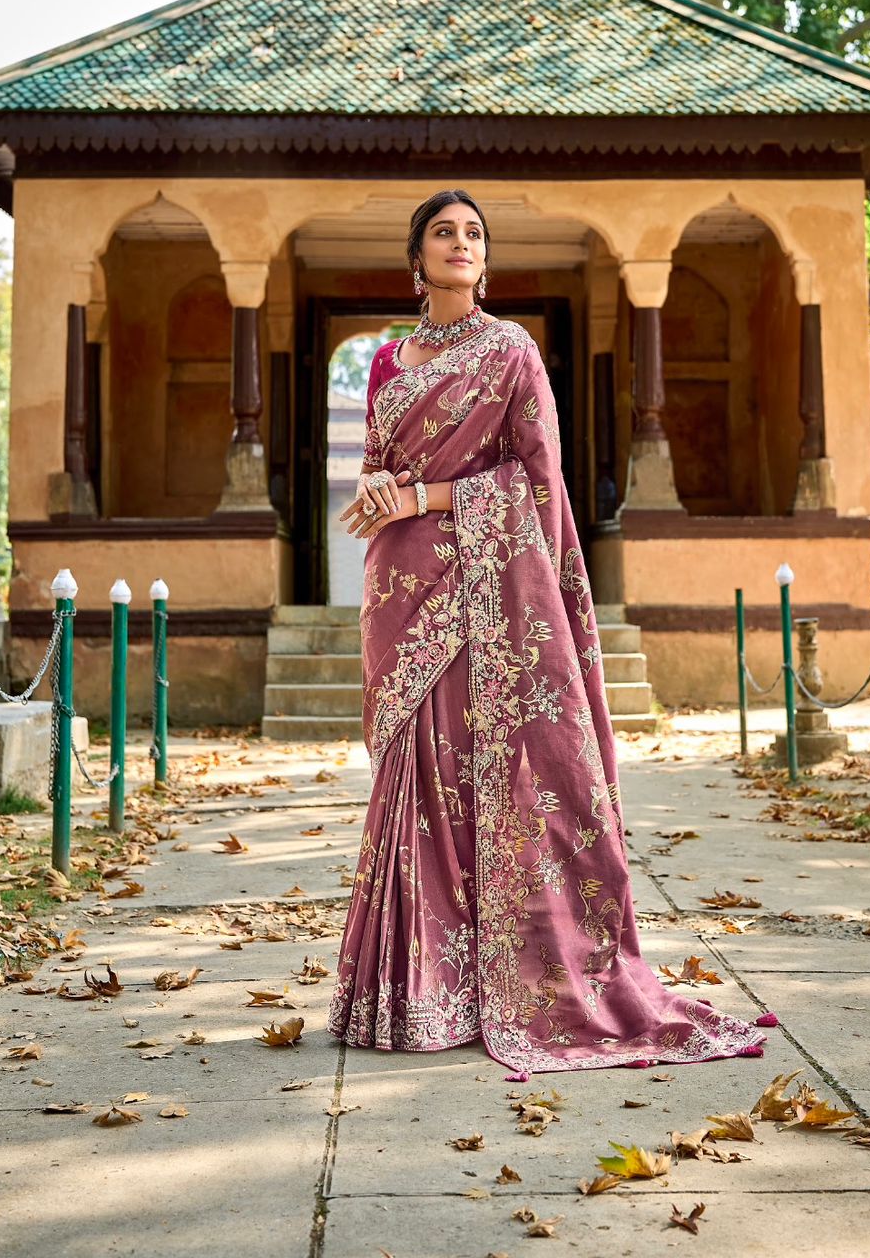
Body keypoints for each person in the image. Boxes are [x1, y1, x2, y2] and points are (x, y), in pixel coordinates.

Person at [329, 189, 775, 1078]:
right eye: (444, 234)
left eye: (474, 235)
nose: (461, 244)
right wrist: (381, 492)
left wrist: (426, 496)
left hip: (484, 587)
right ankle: (417, 988)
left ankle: (503, 985)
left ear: (484, 262)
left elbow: (537, 484)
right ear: (415, 261)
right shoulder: (387, 361)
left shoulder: (512, 351)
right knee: (415, 779)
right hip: (400, 591)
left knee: (478, 775)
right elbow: (384, 464)